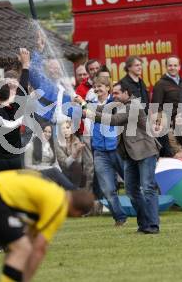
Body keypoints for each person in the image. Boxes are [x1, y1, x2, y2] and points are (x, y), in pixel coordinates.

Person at [0, 169, 94, 282]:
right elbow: (39, 249)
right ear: (77, 213)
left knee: (18, 247)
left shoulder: (52, 189)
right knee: (22, 248)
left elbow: (32, 236)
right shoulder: (59, 204)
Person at [79, 81, 161, 234]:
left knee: (148, 188)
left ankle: (153, 225)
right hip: (129, 154)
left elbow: (114, 120)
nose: (113, 96)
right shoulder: (119, 105)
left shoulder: (133, 106)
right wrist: (83, 104)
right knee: (131, 190)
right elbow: (102, 108)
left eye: (116, 93)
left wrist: (88, 114)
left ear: (127, 93)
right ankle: (144, 224)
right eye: (113, 93)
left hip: (145, 152)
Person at [86, 76, 127, 226]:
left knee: (131, 184)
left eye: (100, 86)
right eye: (95, 87)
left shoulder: (114, 103)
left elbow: (104, 113)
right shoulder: (90, 104)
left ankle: (145, 211)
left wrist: (85, 106)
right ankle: (120, 218)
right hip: (99, 152)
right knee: (108, 189)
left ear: (108, 88)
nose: (97, 89)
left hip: (117, 149)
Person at [24, 122, 75, 190]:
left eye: (49, 132)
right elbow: (27, 166)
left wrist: (58, 169)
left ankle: (69, 195)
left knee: (65, 172)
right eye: (45, 131)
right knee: (54, 171)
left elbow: (55, 162)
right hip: (36, 172)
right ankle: (74, 190)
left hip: (50, 171)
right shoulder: (31, 146)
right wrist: (47, 168)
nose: (47, 134)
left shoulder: (51, 146)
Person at [151, 55, 182, 126]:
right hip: (170, 125)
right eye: (170, 65)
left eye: (175, 65)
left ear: (179, 67)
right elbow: (156, 106)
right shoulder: (160, 84)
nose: (172, 68)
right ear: (166, 67)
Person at [54, 120, 86, 188]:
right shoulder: (57, 142)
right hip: (61, 168)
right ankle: (74, 190)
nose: (65, 130)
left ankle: (75, 191)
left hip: (75, 168)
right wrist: (75, 153)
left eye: (68, 128)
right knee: (74, 168)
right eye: (63, 128)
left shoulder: (76, 140)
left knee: (78, 168)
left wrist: (77, 152)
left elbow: (79, 161)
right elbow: (64, 163)